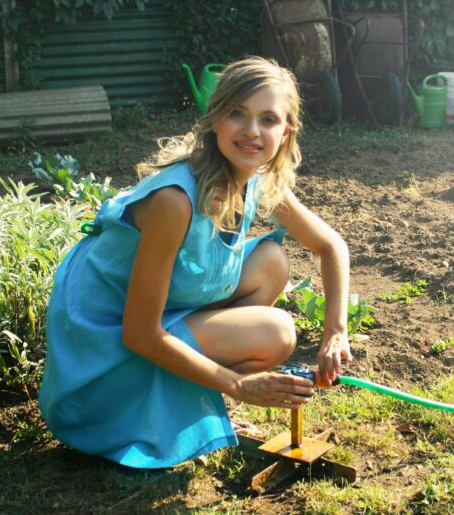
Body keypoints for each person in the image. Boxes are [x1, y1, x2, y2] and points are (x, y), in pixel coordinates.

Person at [38, 56, 352, 469]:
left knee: (271, 261)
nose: (251, 131)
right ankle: (168, 399)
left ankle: (186, 386)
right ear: (215, 119)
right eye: (237, 113)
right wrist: (238, 384)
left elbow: (331, 245)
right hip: (100, 366)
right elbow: (137, 333)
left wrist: (336, 333)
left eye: (268, 119)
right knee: (276, 331)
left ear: (285, 132)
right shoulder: (175, 201)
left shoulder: (254, 177)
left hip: (150, 322)